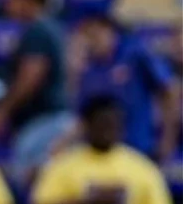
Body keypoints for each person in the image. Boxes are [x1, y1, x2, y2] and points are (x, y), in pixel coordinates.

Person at [32, 94, 178, 204]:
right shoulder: (63, 165)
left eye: (114, 124)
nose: (108, 129)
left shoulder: (141, 166)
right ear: (87, 125)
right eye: (102, 123)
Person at [0, 0, 71, 184]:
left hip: (42, 122)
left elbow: (30, 78)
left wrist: (2, 111)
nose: (8, 5)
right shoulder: (52, 28)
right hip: (54, 119)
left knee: (30, 183)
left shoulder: (38, 31)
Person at [73, 12, 179, 162]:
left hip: (137, 148)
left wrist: (168, 140)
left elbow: (169, 90)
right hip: (99, 155)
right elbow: (82, 117)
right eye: (87, 36)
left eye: (94, 34)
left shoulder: (135, 54)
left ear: (107, 29)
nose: (91, 41)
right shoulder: (88, 68)